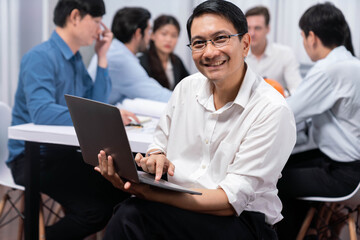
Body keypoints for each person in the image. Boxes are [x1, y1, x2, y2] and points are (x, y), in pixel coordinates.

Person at [96, 1, 296, 239]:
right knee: (125, 211)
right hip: (180, 209)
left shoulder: (271, 109)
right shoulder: (185, 89)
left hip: (242, 222)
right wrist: (156, 159)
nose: (210, 52)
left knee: (132, 216)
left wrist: (148, 193)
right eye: (199, 43)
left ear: (245, 44)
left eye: (220, 38)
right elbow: (158, 145)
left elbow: (229, 202)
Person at [7, 0, 135, 239]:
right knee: (96, 210)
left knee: (125, 189)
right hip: (32, 158)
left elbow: (95, 104)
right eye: (96, 21)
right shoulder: (40, 57)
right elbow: (42, 113)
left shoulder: (76, 60)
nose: (100, 29)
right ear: (75, 17)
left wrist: (102, 56)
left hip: (63, 154)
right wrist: (107, 115)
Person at [276, 3, 360, 239]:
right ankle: (311, 231)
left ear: (312, 37)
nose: (303, 43)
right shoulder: (352, 63)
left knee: (274, 181)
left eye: (302, 36)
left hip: (344, 174)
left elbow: (288, 111)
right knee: (287, 165)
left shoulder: (329, 69)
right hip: (349, 164)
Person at [88, 7, 172, 105]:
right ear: (138, 33)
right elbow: (157, 95)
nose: (150, 38)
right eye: (148, 31)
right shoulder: (121, 60)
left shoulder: (114, 49)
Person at [245, 6, 302, 96]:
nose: (252, 33)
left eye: (257, 28)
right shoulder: (238, 55)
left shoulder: (285, 54)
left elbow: (297, 88)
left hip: (277, 105)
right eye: (248, 28)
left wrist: (281, 94)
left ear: (268, 29)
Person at [138, 15, 189, 90]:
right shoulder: (142, 62)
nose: (169, 40)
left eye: (174, 35)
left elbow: (188, 85)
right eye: (164, 34)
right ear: (152, 35)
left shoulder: (176, 61)